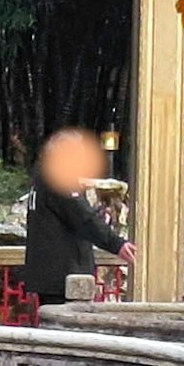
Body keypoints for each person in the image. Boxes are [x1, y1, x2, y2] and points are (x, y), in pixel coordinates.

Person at [20, 127, 130, 305]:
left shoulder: (43, 174)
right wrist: (117, 244)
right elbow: (82, 217)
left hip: (50, 273)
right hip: (62, 276)